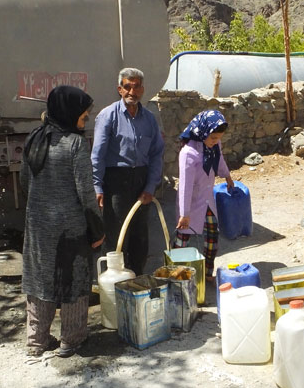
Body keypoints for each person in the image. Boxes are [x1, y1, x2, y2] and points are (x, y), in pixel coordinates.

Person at [21, 85, 104, 358]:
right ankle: (71, 340)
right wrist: (97, 229)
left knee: (39, 281)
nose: (87, 118)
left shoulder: (34, 138)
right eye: (84, 114)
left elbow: (24, 181)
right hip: (70, 230)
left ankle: (37, 340)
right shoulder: (76, 144)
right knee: (74, 282)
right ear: (69, 112)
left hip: (37, 228)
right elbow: (85, 193)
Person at [91, 68, 165, 276]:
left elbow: (156, 154)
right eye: (127, 86)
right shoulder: (107, 116)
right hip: (116, 181)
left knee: (140, 236)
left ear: (143, 89)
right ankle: (114, 285)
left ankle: (137, 281)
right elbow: (98, 155)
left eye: (137, 86)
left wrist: (150, 187)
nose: (132, 91)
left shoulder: (149, 119)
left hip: (141, 179)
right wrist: (97, 186)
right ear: (119, 89)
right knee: (116, 237)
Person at [174, 110, 234, 281]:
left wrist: (227, 175)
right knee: (183, 236)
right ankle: (174, 273)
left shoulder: (214, 146)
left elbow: (219, 160)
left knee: (212, 236)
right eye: (213, 138)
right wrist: (184, 213)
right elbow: (185, 185)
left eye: (218, 138)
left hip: (207, 198)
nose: (216, 141)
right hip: (191, 202)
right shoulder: (188, 153)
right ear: (203, 132)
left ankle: (208, 273)